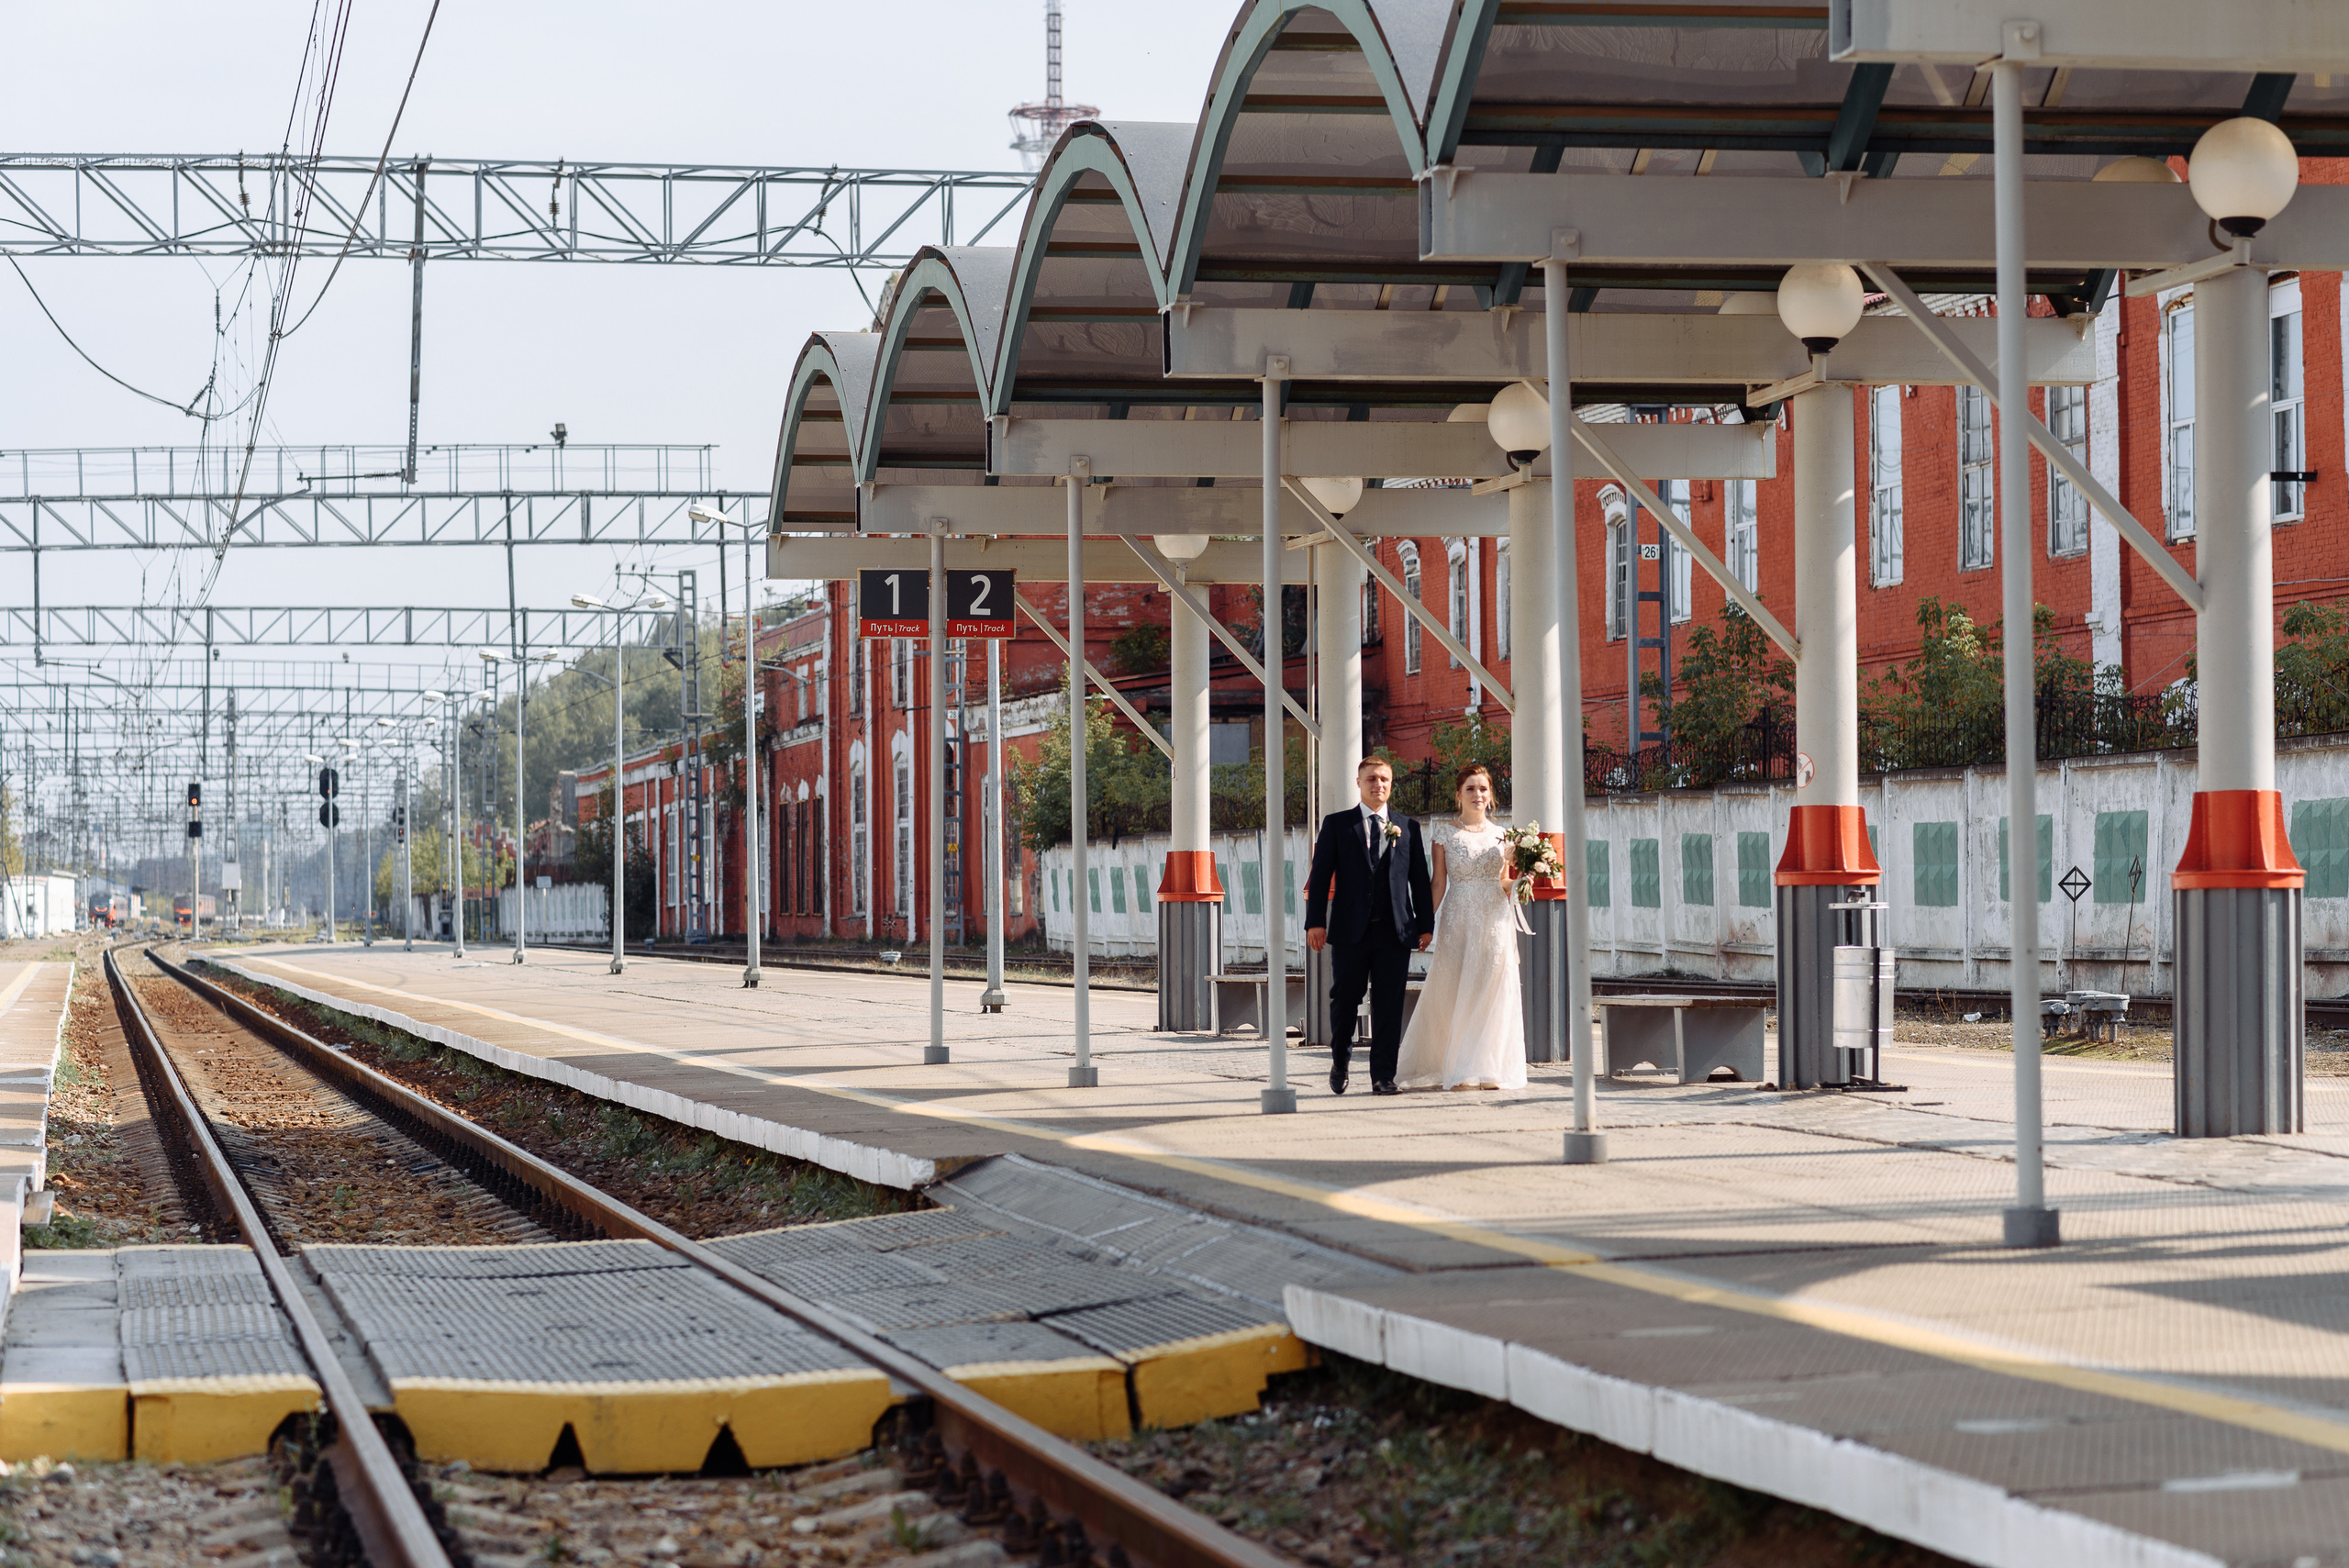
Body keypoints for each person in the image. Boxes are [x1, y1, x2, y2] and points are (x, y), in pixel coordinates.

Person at [1304, 756, 1434, 1096]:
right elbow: (1319, 879)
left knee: (1389, 1005)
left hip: (1395, 932)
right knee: (1345, 999)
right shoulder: (1337, 825)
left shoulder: (1408, 827)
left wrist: (1425, 925)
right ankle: (1340, 1060)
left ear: (1392, 784)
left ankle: (1383, 1076)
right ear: (1359, 784)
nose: (1379, 785)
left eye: (1385, 780)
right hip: (1350, 931)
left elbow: (1419, 880)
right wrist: (1315, 922)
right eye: (1372, 779)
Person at [1394, 763, 1528, 1092]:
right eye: (1470, 788)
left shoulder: (1504, 834)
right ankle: (1458, 1066)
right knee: (1453, 987)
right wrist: (1423, 924)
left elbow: (1502, 881)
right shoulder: (1444, 833)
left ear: (1491, 795)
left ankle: (1488, 1067)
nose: (1477, 794)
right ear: (1459, 794)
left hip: (1494, 918)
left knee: (1491, 987)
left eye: (1483, 789)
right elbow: (1437, 884)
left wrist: (1523, 879)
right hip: (1458, 917)